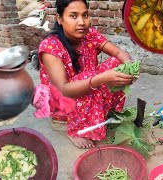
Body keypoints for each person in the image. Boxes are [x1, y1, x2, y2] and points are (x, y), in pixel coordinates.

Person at [36, 0, 135, 149]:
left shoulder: (89, 35)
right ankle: (73, 129)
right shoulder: (50, 47)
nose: (82, 22)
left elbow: (119, 53)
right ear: (60, 19)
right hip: (64, 102)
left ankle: (99, 113)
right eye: (73, 16)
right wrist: (100, 79)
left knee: (117, 64)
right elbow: (64, 90)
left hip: (87, 88)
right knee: (90, 78)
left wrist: (129, 67)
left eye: (85, 15)